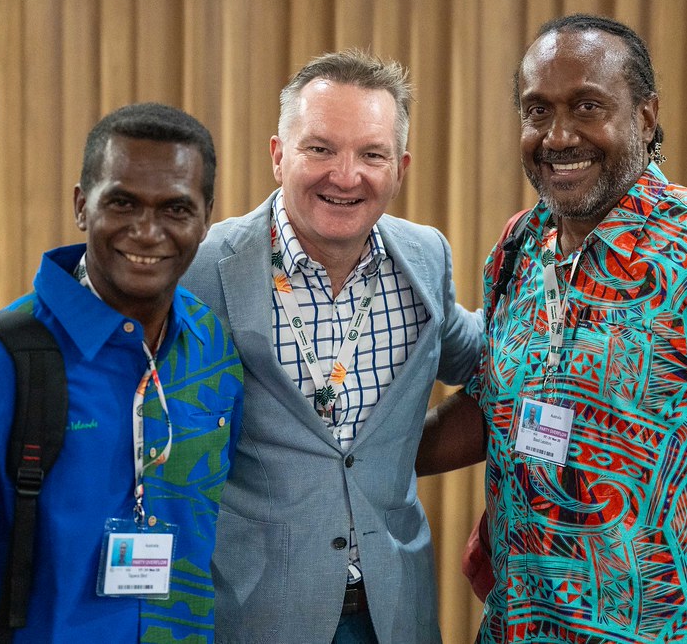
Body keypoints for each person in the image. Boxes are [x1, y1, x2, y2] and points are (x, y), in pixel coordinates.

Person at [417, 14, 687, 642]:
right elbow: (498, 408)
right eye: (537, 111)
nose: (558, 135)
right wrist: (356, 458)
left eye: (587, 107)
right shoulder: (520, 246)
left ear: (646, 118)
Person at [0, 103, 244, 643]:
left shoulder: (212, 350)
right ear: (82, 206)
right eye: (123, 202)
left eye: (176, 208)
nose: (147, 231)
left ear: (205, 219)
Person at [182, 49, 482, 643]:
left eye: (372, 154)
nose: (346, 176)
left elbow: (490, 361)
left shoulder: (425, 259)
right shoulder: (205, 267)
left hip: (394, 613)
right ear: (278, 155)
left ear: (400, 168)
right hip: (257, 614)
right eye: (320, 149)